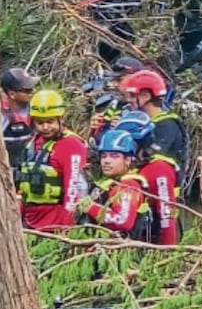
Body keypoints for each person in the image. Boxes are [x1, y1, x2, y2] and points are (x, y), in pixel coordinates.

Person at [16, 90, 88, 231]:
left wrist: (67, 228)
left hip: (56, 223)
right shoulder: (32, 142)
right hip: (30, 222)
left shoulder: (71, 145)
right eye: (40, 122)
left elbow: (73, 189)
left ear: (60, 119)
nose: (45, 127)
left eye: (50, 121)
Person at [115, 110, 181, 245]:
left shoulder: (158, 169)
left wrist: (166, 255)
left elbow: (166, 216)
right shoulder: (132, 167)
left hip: (152, 242)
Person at [75, 130, 151, 240]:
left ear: (127, 160)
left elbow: (122, 221)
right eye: (104, 156)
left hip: (121, 251)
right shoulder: (109, 182)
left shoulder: (129, 186)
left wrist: (91, 208)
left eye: (114, 156)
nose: (107, 161)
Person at [120, 69, 189, 172]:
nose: (129, 100)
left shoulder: (167, 125)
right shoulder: (144, 122)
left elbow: (148, 158)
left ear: (146, 96)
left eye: (133, 96)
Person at [0, 67, 39, 177]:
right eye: (27, 90)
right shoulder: (0, 115)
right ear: (12, 94)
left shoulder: (36, 108)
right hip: (7, 172)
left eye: (32, 88)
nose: (32, 92)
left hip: (32, 168)